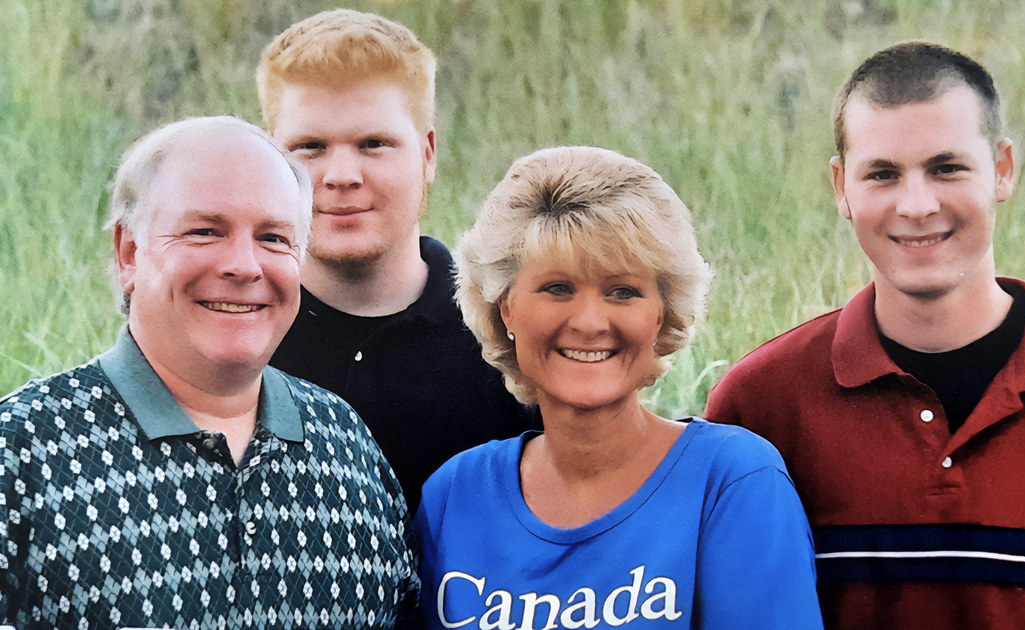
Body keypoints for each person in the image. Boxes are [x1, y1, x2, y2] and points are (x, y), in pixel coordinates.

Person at [705, 41, 1025, 628]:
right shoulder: (760, 405)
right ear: (841, 187)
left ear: (1003, 170)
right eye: (882, 173)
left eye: (947, 167)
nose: (916, 205)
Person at [0, 117, 418, 629]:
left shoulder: (347, 447)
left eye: (273, 237)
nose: (244, 265)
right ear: (129, 252)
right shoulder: (21, 453)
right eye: (204, 231)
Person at [417, 146, 823, 629]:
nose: (590, 322)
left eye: (622, 291)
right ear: (505, 308)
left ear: (662, 313)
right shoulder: (454, 496)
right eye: (557, 288)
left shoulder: (732, 481)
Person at [257, 9, 535, 507]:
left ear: (428, 155)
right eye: (310, 147)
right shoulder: (233, 334)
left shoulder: (508, 333)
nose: (342, 175)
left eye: (374, 144)